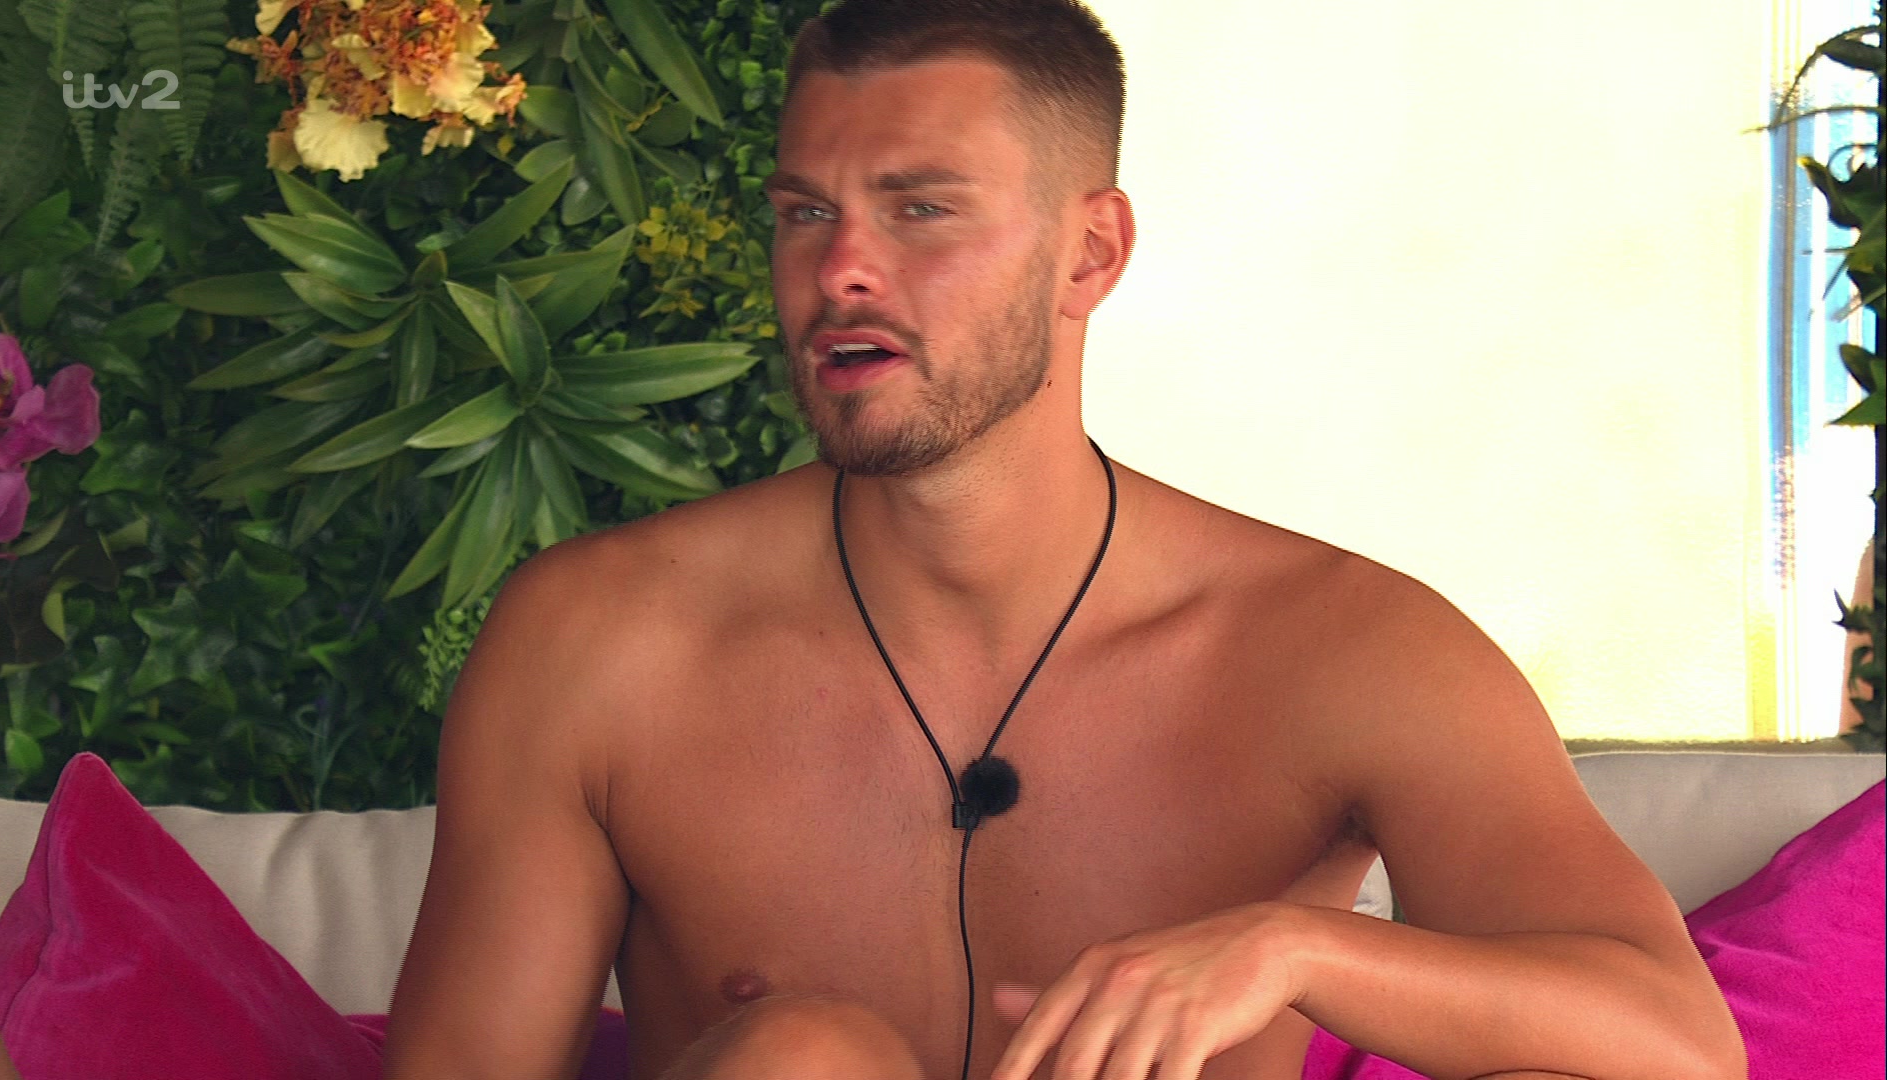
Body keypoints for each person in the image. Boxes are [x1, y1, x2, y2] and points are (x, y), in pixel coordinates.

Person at [380, 1, 1746, 1078]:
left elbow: (1679, 1047)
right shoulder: (601, 642)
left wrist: (1289, 952)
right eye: (806, 213)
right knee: (809, 1056)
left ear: (1089, 254)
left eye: (921, 209)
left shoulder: (1344, 647)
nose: (841, 268)